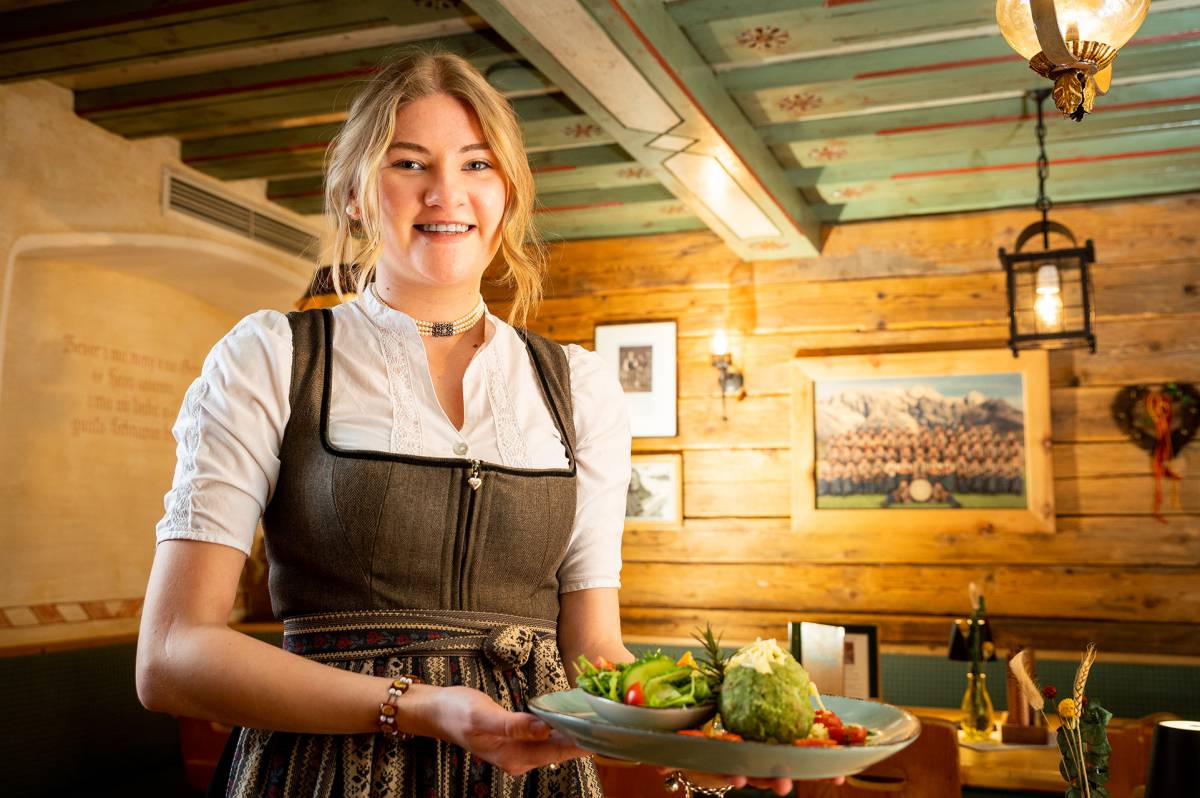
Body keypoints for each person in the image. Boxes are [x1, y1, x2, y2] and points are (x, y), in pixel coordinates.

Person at [136, 51, 808, 797]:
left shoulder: (580, 388)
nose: (445, 192)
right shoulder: (272, 358)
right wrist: (419, 708)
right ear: (357, 195)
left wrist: (709, 732)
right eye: (409, 163)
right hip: (319, 774)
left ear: (508, 193)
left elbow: (592, 652)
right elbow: (170, 656)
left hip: (531, 781)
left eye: (477, 164)